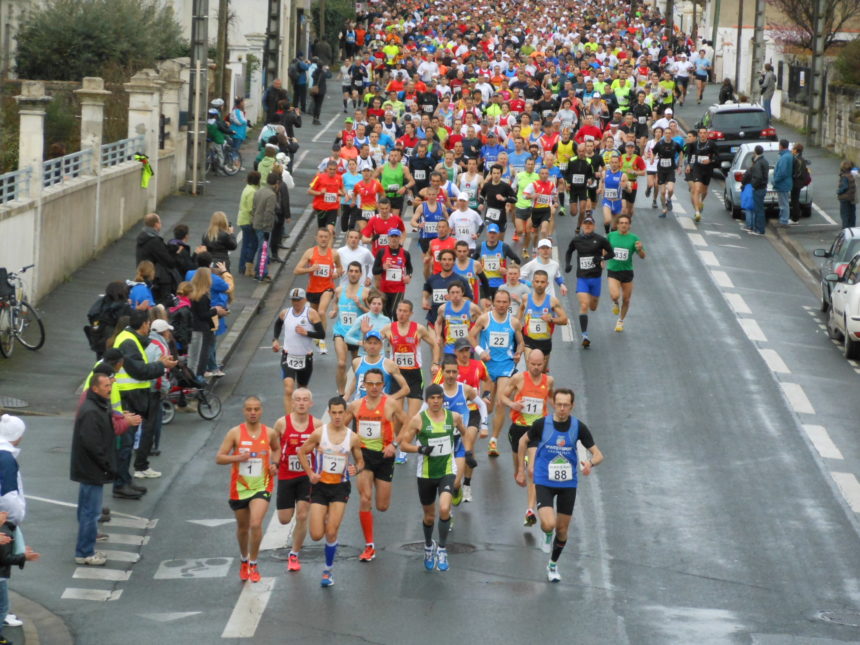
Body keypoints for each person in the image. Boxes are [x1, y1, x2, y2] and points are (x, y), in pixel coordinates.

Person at [515, 388, 603, 582]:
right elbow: (523, 441)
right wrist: (521, 469)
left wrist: (590, 463)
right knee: (549, 523)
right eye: (559, 404)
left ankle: (553, 565)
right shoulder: (541, 424)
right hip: (544, 480)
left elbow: (598, 454)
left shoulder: (578, 427)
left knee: (562, 531)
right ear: (553, 404)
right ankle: (547, 533)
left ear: (572, 406)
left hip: (567, 484)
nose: (562, 408)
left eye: (566, 405)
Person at [398, 384, 468, 572]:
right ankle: (429, 545)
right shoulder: (418, 420)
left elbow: (465, 432)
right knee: (429, 516)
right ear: (427, 400)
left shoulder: (453, 417)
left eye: (439, 397)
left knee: (444, 508)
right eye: (432, 398)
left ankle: (442, 549)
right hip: (426, 474)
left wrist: (467, 452)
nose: (436, 401)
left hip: (447, 470)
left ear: (443, 399)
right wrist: (420, 449)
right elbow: (403, 445)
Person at [298, 396, 364, 587]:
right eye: (333, 413)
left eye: (340, 413)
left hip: (340, 488)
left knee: (332, 531)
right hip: (320, 487)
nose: (337, 416)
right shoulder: (320, 434)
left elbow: (360, 461)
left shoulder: (352, 437)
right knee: (316, 535)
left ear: (345, 413)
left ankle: (328, 571)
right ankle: (325, 518)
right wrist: (310, 473)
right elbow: (301, 452)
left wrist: (356, 469)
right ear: (329, 413)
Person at [112, 311, 176, 497]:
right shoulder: (128, 341)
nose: (149, 328)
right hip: (127, 397)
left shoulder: (131, 338)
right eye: (148, 325)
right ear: (144, 325)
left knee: (128, 443)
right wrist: (161, 365)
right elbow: (138, 370)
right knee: (125, 444)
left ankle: (125, 481)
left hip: (131, 396)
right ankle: (120, 485)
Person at [216, 396, 279, 583]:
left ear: (261, 411)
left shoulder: (269, 433)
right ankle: (244, 560)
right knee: (243, 528)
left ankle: (253, 562)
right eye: (249, 409)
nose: (253, 413)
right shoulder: (235, 433)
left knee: (255, 524)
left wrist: (274, 463)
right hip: (240, 488)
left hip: (262, 485)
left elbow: (276, 449)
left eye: (256, 409)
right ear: (244, 411)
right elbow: (219, 458)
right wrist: (237, 458)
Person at [346, 369, 405, 562]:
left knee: (382, 506)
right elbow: (340, 428)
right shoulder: (355, 406)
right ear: (363, 385)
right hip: (363, 456)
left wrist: (394, 444)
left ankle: (370, 535)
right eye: (369, 384)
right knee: (365, 498)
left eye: (377, 384)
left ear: (383, 385)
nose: (373, 387)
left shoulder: (391, 404)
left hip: (384, 456)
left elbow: (410, 425)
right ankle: (369, 545)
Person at [70, 376, 120, 566]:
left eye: (110, 385)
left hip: (88, 468)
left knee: (87, 512)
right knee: (91, 513)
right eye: (106, 386)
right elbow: (93, 444)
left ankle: (85, 549)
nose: (110, 388)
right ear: (96, 389)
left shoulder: (95, 405)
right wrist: (107, 464)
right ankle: (84, 552)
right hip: (92, 469)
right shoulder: (92, 411)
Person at [469, 289, 524, 455]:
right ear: (493, 303)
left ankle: (493, 441)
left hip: (506, 366)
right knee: (488, 405)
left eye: (504, 302)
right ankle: (479, 423)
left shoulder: (514, 322)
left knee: (501, 401)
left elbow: (521, 342)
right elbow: (471, 336)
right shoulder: (485, 318)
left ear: (508, 304)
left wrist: (518, 353)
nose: (501, 305)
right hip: (487, 367)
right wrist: (480, 352)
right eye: (498, 302)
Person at [502, 351, 553, 525]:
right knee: (519, 471)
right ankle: (519, 471)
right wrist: (512, 404)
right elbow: (502, 396)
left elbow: (554, 400)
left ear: (544, 363)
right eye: (533, 364)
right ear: (528, 362)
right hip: (518, 428)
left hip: (537, 431)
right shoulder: (519, 379)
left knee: (533, 469)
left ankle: (530, 510)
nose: (536, 368)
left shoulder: (549, 381)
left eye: (539, 365)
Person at [273, 388, 321, 573]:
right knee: (284, 519)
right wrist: (274, 463)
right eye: (298, 400)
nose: (301, 403)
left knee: (302, 515)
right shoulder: (281, 423)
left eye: (305, 400)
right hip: (286, 475)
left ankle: (294, 554)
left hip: (306, 476)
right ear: (292, 403)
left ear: (311, 403)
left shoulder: (316, 424)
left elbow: (323, 446)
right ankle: (293, 543)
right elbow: (274, 446)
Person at [273, 288, 327, 415]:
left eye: (298, 300)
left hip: (305, 358)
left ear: (304, 300)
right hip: (288, 355)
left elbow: (321, 334)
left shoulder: (311, 314)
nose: (296, 303)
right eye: (293, 300)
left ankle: (302, 417)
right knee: (288, 388)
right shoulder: (285, 313)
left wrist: (306, 332)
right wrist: (275, 340)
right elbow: (277, 324)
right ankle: (289, 420)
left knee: (302, 392)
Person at [564, 216, 614, 348]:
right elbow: (569, 251)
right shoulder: (576, 240)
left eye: (590, 224)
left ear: (594, 226)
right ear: (581, 225)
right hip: (582, 278)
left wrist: (601, 257)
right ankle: (585, 335)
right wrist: (568, 264)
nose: (587, 226)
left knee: (593, 306)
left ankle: (586, 329)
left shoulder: (600, 239)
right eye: (585, 224)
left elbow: (612, 253)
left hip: (596, 279)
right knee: (584, 305)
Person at [294, 228, 342, 354]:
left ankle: (321, 340)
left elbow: (340, 267)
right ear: (316, 238)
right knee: (314, 317)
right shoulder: (310, 253)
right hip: (312, 289)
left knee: (321, 312)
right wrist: (310, 269)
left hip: (327, 288)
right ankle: (317, 338)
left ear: (329, 238)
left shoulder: (334, 254)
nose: (323, 239)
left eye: (326, 237)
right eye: (321, 236)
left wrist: (337, 273)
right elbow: (297, 270)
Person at [329, 262, 369, 396]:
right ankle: (341, 394)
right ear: (347, 272)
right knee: (341, 363)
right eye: (351, 271)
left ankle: (357, 393)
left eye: (356, 271)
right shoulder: (340, 290)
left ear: (360, 274)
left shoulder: (365, 292)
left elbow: (372, 313)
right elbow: (335, 302)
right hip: (341, 332)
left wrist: (360, 305)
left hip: (357, 335)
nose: (353, 274)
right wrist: (334, 311)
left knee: (358, 367)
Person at [521, 270, 568, 373]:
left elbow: (564, 320)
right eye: (537, 281)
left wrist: (551, 319)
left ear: (547, 284)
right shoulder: (525, 299)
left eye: (542, 282)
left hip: (545, 342)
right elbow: (517, 319)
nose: (539, 285)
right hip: (529, 341)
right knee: (531, 371)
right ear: (532, 282)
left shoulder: (552, 301)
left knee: (541, 374)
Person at [607, 214, 646, 332]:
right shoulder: (611, 236)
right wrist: (602, 259)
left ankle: (620, 321)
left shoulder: (634, 238)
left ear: (629, 225)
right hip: (613, 270)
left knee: (626, 299)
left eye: (626, 223)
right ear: (617, 225)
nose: (624, 225)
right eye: (621, 223)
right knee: (615, 295)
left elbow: (643, 256)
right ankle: (615, 302)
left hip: (627, 272)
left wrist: (640, 250)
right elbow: (604, 248)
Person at [135, 213, 178, 306]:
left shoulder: (142, 237)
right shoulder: (154, 241)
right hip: (155, 278)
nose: (161, 225)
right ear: (156, 224)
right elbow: (168, 261)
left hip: (142, 272)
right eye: (160, 222)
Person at [371, 228, 412, 318]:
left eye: (396, 237)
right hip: (385, 288)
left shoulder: (405, 253)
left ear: (399, 238)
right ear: (388, 238)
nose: (394, 239)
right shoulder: (381, 252)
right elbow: (374, 270)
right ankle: (389, 331)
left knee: (395, 312)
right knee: (386, 315)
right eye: (392, 236)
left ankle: (396, 330)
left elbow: (409, 267)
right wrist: (383, 268)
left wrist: (409, 276)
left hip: (399, 288)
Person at [252, 173, 280, 281]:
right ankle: (261, 273)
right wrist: (267, 228)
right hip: (264, 227)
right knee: (263, 250)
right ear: (276, 183)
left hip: (256, 223)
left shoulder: (259, 191)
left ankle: (259, 270)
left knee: (260, 248)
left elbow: (254, 207)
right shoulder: (271, 195)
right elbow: (269, 213)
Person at [308, 160, 345, 235]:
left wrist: (342, 193)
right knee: (322, 232)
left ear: (336, 169)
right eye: (330, 169)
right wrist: (320, 193)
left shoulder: (339, 178)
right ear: (327, 169)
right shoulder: (319, 177)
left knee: (330, 231)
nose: (332, 171)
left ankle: (329, 246)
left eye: (334, 169)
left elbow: (342, 191)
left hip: (333, 208)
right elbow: (309, 191)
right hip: (321, 208)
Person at [741, 145, 770, 236]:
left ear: (755, 152)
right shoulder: (765, 161)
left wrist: (753, 185)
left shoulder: (758, 163)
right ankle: (758, 228)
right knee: (759, 209)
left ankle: (759, 229)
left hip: (758, 188)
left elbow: (758, 177)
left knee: (758, 210)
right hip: (763, 187)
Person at [237, 171, 261, 277]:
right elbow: (252, 208)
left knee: (246, 244)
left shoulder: (247, 188)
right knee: (253, 244)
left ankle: (242, 267)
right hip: (248, 220)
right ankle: (248, 265)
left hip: (242, 219)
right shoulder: (252, 191)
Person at [773, 139, 794, 228]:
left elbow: (782, 172)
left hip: (782, 183)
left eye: (779, 145)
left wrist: (775, 180)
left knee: (783, 203)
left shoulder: (785, 157)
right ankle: (783, 219)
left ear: (781, 146)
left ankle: (784, 220)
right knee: (783, 203)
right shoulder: (788, 156)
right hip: (785, 183)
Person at [790, 143, 810, 223]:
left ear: (796, 150)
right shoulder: (801, 159)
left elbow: (797, 172)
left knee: (794, 201)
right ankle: (795, 217)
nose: (792, 150)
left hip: (796, 182)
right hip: (799, 182)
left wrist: (793, 176)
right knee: (795, 200)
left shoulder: (797, 159)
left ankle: (795, 219)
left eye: (793, 149)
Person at [837, 160, 857, 229]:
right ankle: (852, 228)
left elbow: (844, 187)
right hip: (851, 197)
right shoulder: (851, 175)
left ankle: (845, 229)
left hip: (844, 198)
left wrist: (838, 191)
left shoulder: (844, 176)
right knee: (852, 214)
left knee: (844, 214)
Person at [310, 57, 329, 125]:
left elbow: (312, 76)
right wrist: (327, 69)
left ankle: (314, 118)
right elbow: (329, 75)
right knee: (319, 105)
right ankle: (317, 119)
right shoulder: (323, 73)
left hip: (315, 90)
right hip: (321, 90)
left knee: (315, 104)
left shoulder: (315, 72)